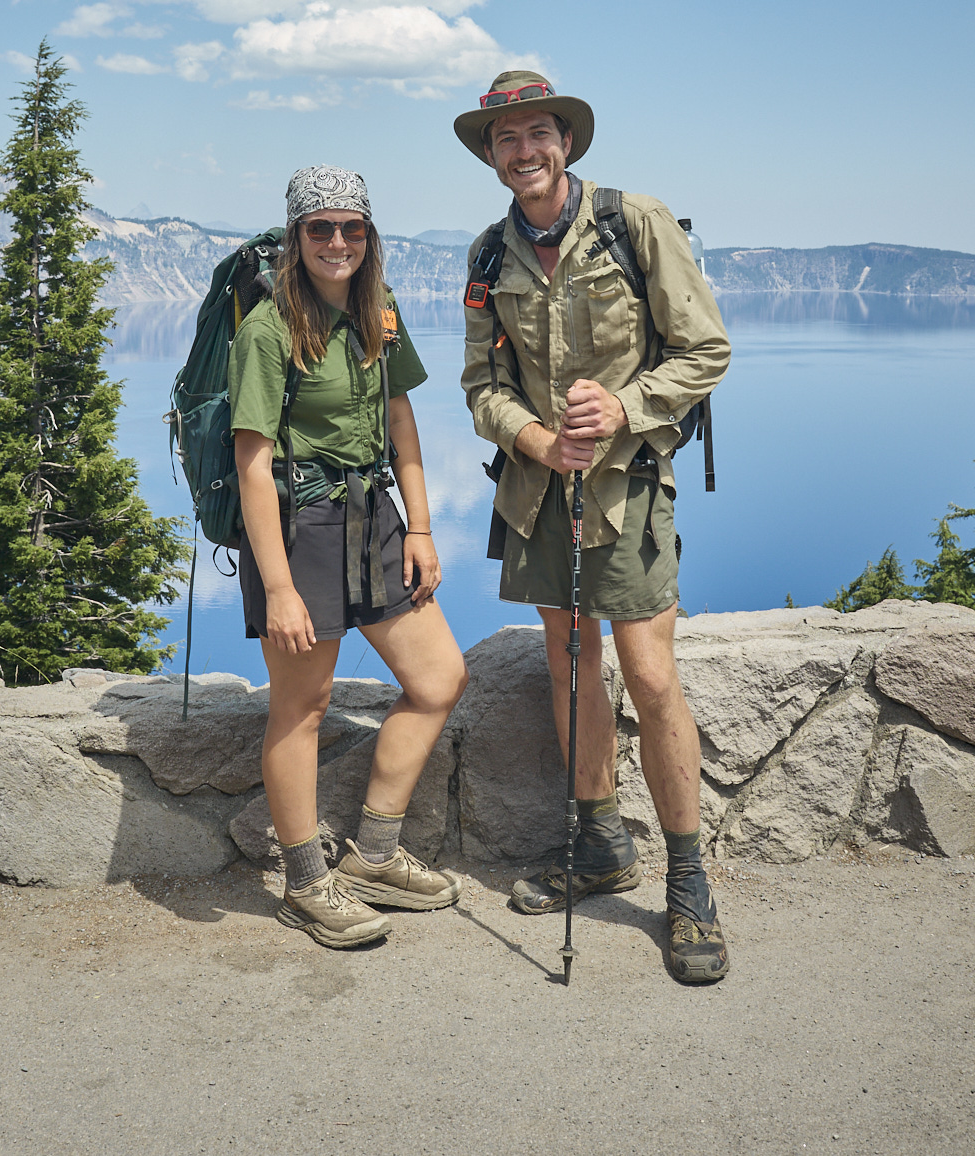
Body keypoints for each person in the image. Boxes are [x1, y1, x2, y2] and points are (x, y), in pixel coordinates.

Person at [457, 72, 732, 984]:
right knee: (571, 661)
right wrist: (532, 433)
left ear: (565, 143)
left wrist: (620, 409)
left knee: (650, 677)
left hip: (629, 488)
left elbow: (707, 351)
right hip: (539, 495)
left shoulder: (634, 223)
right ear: (491, 155)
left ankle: (689, 883)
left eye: (539, 133)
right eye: (507, 140)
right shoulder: (489, 255)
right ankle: (601, 844)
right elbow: (479, 389)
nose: (524, 151)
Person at [230, 165, 469, 950]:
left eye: (352, 228)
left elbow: (399, 415)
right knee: (302, 707)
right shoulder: (269, 330)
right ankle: (305, 884)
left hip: (375, 517)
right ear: (296, 238)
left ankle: (370, 855)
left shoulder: (379, 311)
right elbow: (253, 464)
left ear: (371, 237)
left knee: (438, 679)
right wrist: (279, 588)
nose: (339, 242)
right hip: (304, 528)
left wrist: (423, 527)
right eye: (321, 228)